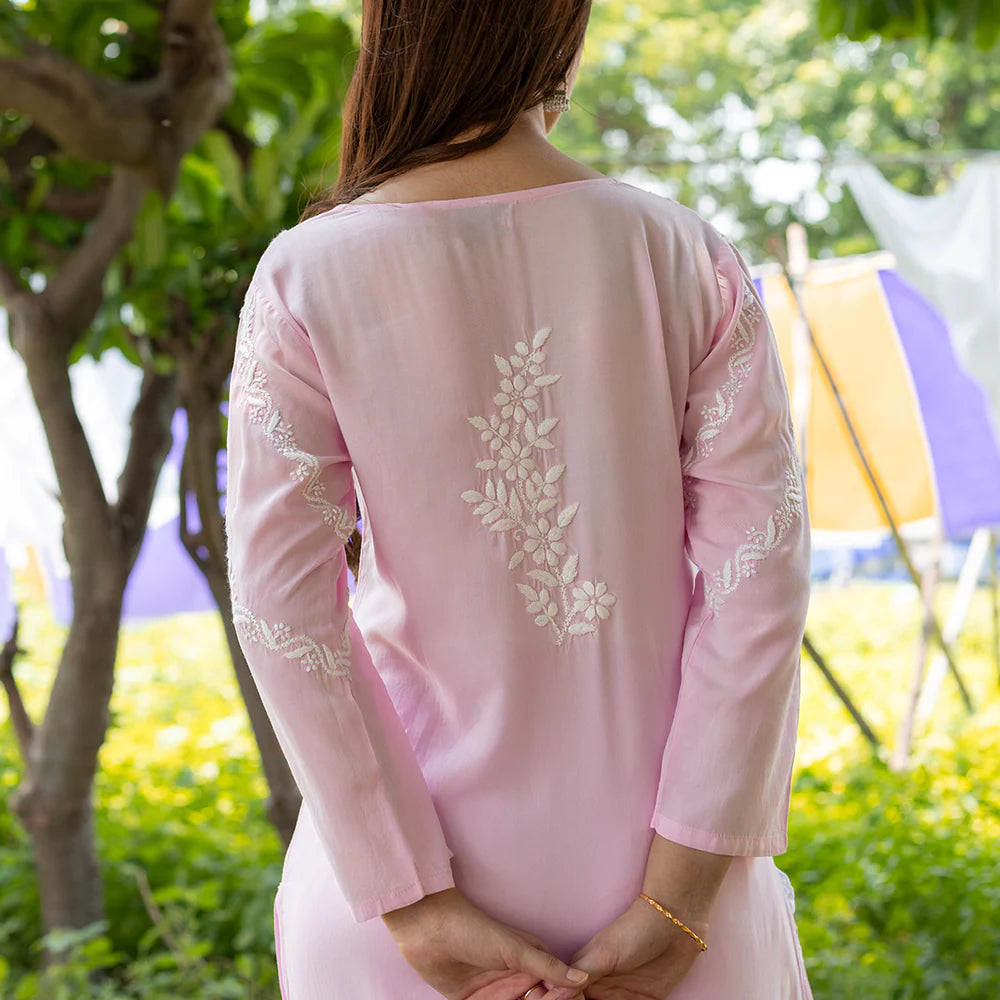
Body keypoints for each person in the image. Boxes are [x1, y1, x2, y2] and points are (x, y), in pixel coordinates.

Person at [223, 1, 814, 998]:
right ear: (560, 30)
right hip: (675, 905)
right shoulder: (681, 254)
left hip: (412, 915)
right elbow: (759, 583)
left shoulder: (307, 275)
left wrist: (408, 898)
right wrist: (680, 896)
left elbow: (282, 604)